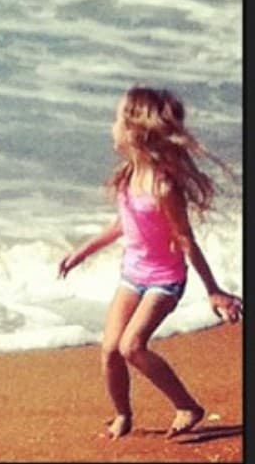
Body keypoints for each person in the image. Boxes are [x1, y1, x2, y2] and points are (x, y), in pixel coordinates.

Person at [57, 85, 242, 440]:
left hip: (165, 280)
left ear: (135, 130)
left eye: (116, 120)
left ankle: (187, 405)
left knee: (132, 346)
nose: (111, 127)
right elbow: (121, 226)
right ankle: (123, 415)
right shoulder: (128, 175)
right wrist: (83, 251)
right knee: (110, 349)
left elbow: (185, 238)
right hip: (133, 275)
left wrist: (214, 290)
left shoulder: (163, 186)